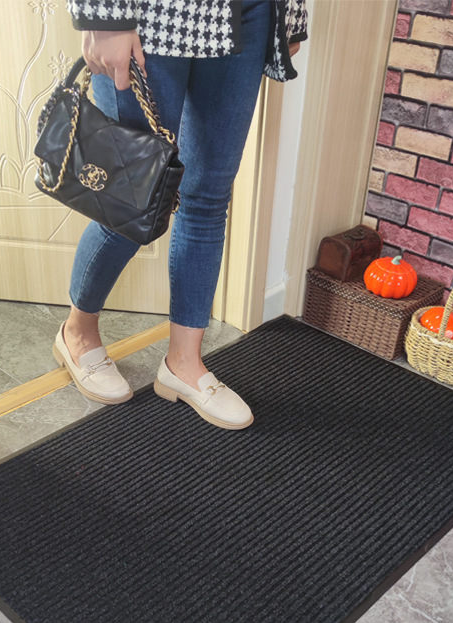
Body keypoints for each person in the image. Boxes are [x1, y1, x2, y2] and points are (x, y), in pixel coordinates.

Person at [53, 0, 307, 429]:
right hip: (152, 13)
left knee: (208, 197)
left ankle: (183, 364)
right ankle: (76, 332)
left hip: (246, 13)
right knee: (128, 199)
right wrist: (102, 17)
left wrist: (291, 16)